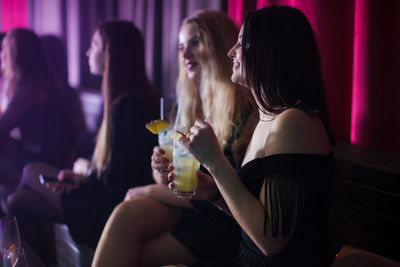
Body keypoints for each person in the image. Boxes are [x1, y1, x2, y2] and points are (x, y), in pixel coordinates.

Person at [168, 5, 335, 267]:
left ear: (271, 52)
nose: (231, 52)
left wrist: (215, 161)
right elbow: (255, 217)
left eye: (242, 43)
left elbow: (271, 241)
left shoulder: (294, 123)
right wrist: (214, 194)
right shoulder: (269, 120)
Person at [92, 10, 257, 267]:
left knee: (133, 254)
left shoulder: (244, 110)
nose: (185, 54)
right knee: (124, 215)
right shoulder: (188, 104)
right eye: (181, 46)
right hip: (187, 208)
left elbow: (219, 192)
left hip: (219, 219)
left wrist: (147, 189)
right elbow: (178, 180)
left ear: (220, 45)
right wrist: (160, 171)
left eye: (194, 42)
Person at [7, 21, 159, 263]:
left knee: (28, 175)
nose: (88, 52)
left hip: (107, 209)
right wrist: (80, 178)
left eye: (95, 45)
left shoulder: (129, 105)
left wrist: (82, 177)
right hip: (100, 195)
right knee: (18, 200)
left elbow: (119, 184)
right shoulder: (123, 99)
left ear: (112, 53)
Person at [0, 29, 75, 203]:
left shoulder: (28, 89)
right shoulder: (45, 83)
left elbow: (3, 126)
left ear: (15, 54)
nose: (1, 54)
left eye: (4, 49)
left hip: (44, 163)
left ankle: (8, 217)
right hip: (52, 158)